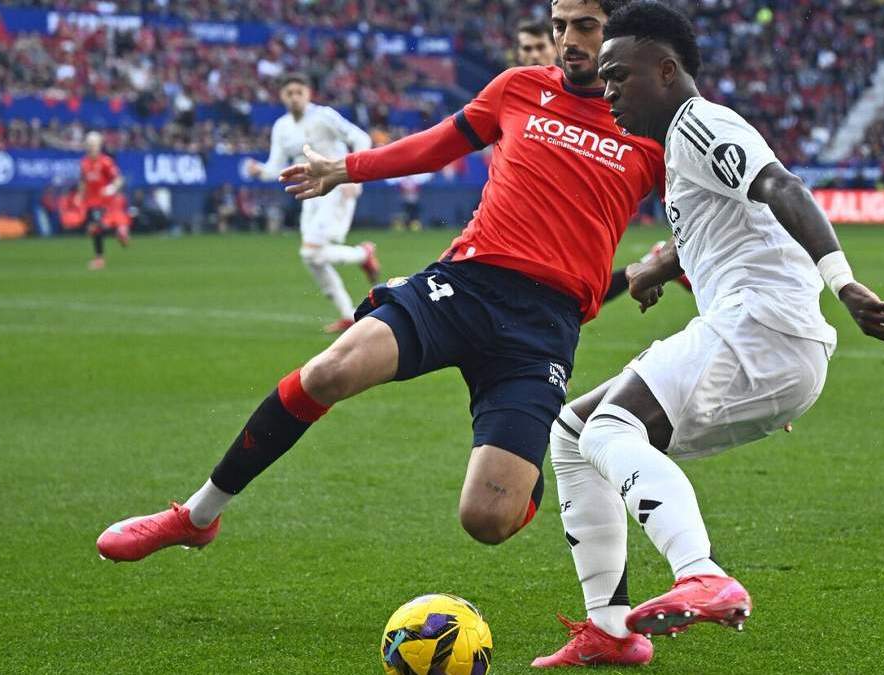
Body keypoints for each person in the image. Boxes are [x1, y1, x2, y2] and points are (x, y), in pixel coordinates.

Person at [96, 5, 663, 647]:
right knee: (329, 370)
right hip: (466, 283)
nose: (567, 39)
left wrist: (690, 289)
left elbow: (702, 220)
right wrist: (347, 169)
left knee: (489, 518)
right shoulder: (516, 88)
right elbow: (436, 144)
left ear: (620, 33)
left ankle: (530, 465)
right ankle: (195, 515)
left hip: (543, 326)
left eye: (585, 24)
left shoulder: (646, 125)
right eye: (559, 24)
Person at [532, 2, 884, 667]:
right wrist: (664, 264)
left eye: (619, 74)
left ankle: (702, 571)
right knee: (572, 431)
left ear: (667, 69)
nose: (609, 89)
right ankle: (611, 628)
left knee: (608, 430)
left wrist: (844, 281)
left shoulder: (701, 124)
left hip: (761, 330)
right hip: (760, 340)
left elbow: (779, 185)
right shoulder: (682, 145)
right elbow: (729, 225)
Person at [247, 73, 382, 334]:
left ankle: (363, 254)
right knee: (311, 257)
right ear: (282, 97)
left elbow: (361, 138)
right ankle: (348, 315)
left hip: (337, 186)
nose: (294, 97)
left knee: (311, 251)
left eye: (299, 91)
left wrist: (355, 174)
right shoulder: (281, 127)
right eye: (289, 93)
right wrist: (259, 170)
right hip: (311, 191)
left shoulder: (324, 116)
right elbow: (276, 166)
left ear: (308, 93)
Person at [79, 131, 125, 270]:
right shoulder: (84, 163)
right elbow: (83, 181)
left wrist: (111, 188)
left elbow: (118, 179)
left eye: (94, 145)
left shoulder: (106, 162)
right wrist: (80, 195)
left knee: (96, 227)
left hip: (104, 202)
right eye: (89, 145)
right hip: (90, 202)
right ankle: (118, 231)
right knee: (92, 229)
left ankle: (99, 259)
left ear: (99, 146)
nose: (91, 147)